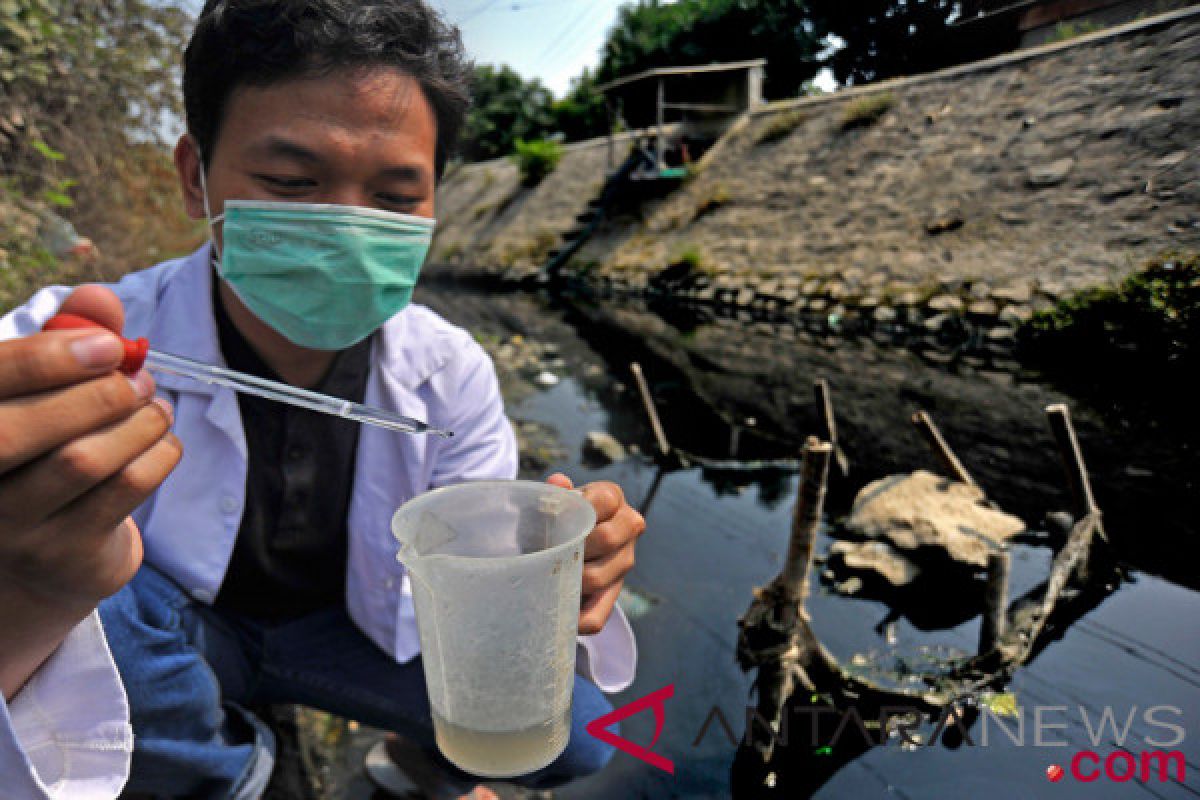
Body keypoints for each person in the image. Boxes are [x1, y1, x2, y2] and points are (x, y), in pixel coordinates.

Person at [0, 1, 644, 798]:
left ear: (438, 196)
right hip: (184, 633)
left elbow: (484, 574)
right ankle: (236, 772)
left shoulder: (453, 373)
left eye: (397, 196)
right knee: (105, 628)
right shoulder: (75, 339)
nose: (344, 224)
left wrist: (551, 581)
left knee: (569, 737)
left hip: (346, 638)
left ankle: (410, 764)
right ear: (196, 175)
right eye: (291, 181)